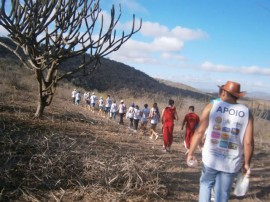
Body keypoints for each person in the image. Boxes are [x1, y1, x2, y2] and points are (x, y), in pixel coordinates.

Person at [186, 81, 254, 202]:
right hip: (231, 161)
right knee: (223, 193)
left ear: (223, 92)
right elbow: (248, 142)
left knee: (206, 185)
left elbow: (199, 132)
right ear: (237, 96)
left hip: (210, 158)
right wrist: (246, 163)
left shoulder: (212, 106)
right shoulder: (246, 112)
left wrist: (190, 153)